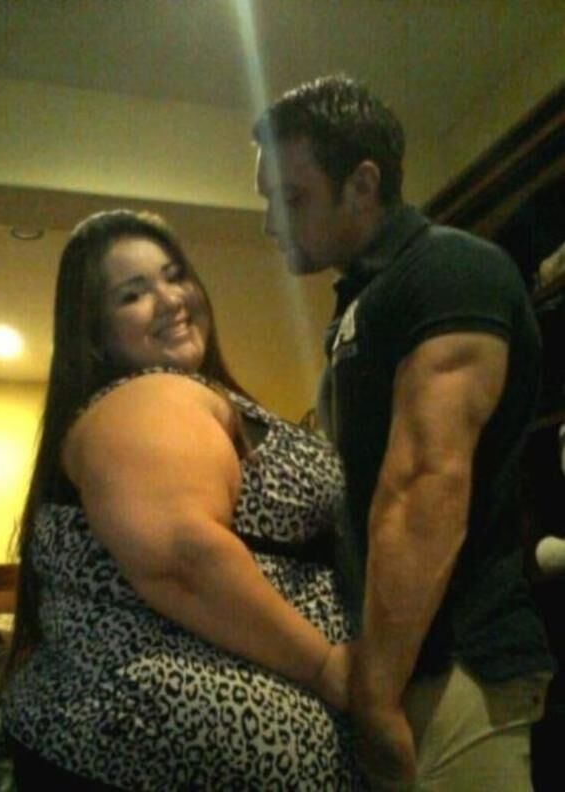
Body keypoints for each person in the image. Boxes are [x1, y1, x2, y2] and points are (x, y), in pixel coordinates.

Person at [253, 75, 554, 791]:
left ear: (362, 185)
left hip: (456, 666)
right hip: (403, 660)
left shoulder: (449, 268)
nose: (270, 222)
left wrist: (378, 691)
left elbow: (426, 481)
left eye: (291, 198)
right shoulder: (366, 298)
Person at [1, 209, 364, 790]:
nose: (170, 299)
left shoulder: (180, 396)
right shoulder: (148, 398)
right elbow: (184, 558)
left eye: (175, 276)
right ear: (94, 334)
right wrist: (327, 668)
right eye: (133, 294)